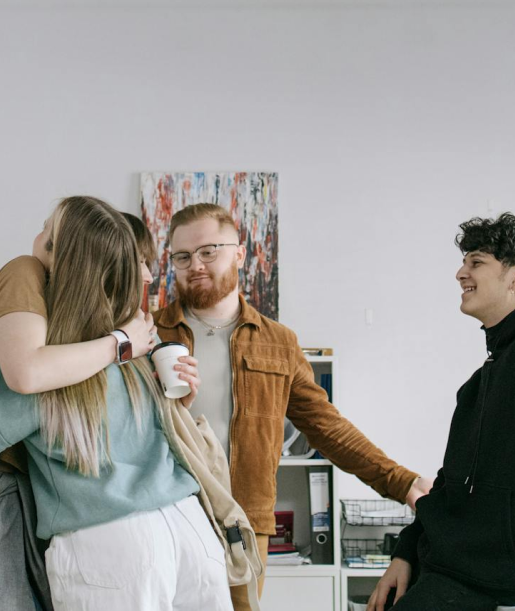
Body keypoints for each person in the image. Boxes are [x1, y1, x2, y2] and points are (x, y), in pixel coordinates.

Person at [0, 196, 232, 611]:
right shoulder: (137, 348)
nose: (36, 238)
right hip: (191, 532)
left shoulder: (41, 367)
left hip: (113, 548)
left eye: (47, 230)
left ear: (61, 258)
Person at [152, 203, 433, 611]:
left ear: (239, 254)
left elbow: (326, 427)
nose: (195, 265)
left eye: (208, 251)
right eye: (182, 256)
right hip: (162, 515)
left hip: (243, 525)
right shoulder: (149, 333)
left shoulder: (278, 342)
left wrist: (401, 481)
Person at [367, 213, 515, 611]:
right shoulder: (478, 385)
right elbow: (450, 486)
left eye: (477, 262)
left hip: (485, 583)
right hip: (450, 572)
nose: (460, 273)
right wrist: (405, 552)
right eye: (464, 262)